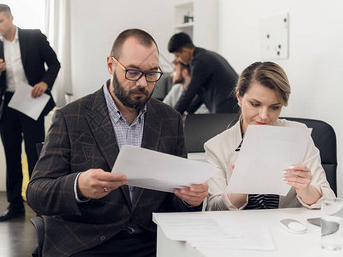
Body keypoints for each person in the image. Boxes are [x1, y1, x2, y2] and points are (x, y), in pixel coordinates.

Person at [26, 29, 208, 257]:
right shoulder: (71, 117)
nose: (143, 82)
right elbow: (36, 192)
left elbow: (175, 199)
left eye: (152, 73)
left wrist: (191, 199)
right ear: (111, 66)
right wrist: (78, 186)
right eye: (133, 72)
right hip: (87, 241)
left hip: (151, 240)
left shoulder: (170, 120)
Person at [205, 61, 336, 211]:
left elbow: (329, 199)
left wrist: (306, 190)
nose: (264, 116)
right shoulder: (216, 147)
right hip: (239, 230)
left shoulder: (298, 135)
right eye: (255, 104)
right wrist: (240, 188)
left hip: (287, 229)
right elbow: (213, 209)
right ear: (239, 97)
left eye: (275, 107)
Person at [0, 4, 60, 222]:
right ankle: (15, 205)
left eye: (1, 21)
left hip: (31, 100)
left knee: (35, 154)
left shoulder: (34, 37)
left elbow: (55, 64)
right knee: (11, 156)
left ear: (11, 18)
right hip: (7, 104)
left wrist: (45, 83)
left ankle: (39, 204)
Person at [167, 32, 239, 115]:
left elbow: (189, 92)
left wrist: (173, 115)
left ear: (185, 51)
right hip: (233, 106)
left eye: (177, 56)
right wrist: (187, 112)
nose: (178, 60)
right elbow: (200, 94)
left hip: (226, 109)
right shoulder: (209, 55)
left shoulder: (199, 61)